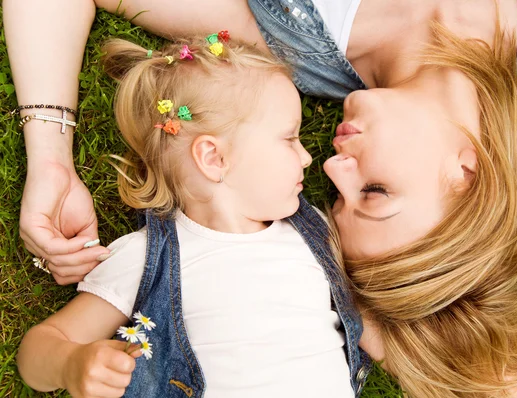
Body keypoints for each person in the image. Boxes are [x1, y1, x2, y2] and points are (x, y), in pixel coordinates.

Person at [5, 0, 517, 396]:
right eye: (375, 191)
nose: (333, 167)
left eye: (338, 201)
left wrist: (51, 160)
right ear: (466, 172)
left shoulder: (288, 45)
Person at [16, 36, 369, 398]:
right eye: (290, 138)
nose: (307, 157)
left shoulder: (315, 234)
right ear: (215, 159)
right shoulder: (150, 259)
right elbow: (37, 352)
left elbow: (368, 322)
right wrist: (70, 363)